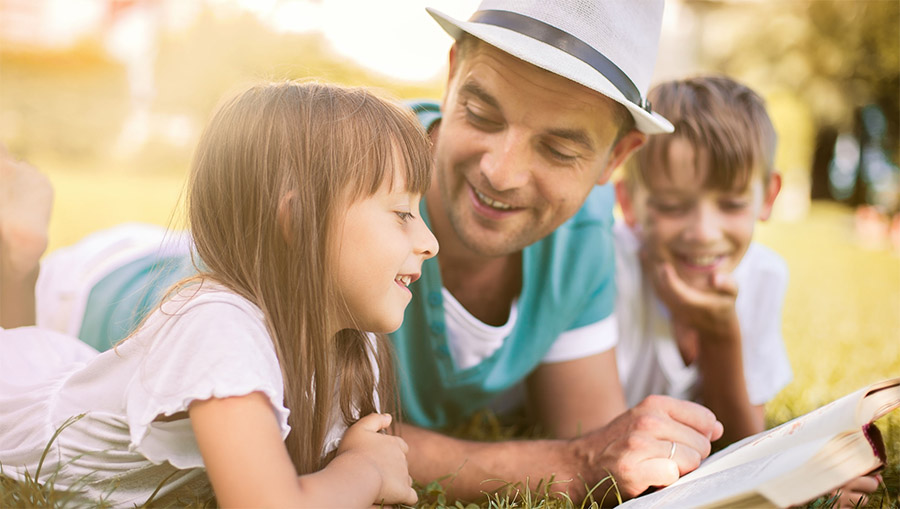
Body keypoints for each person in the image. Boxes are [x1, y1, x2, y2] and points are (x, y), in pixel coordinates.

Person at [7, 0, 724, 502]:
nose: (502, 171)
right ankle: (19, 249)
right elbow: (305, 451)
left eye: (561, 146)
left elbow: (593, 444)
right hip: (113, 288)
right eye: (479, 112)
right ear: (451, 73)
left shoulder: (580, 235)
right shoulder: (335, 194)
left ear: (616, 158)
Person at [0, 81, 439, 507]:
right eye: (402, 213)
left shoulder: (354, 345)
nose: (429, 242)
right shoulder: (218, 324)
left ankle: (16, 260)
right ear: (302, 221)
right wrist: (366, 468)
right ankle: (16, 257)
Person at [613, 75, 882, 508]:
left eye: (732, 204)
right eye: (672, 205)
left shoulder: (764, 276)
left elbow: (743, 437)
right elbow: (607, 446)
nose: (703, 233)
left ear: (767, 197)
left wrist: (720, 330)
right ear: (628, 202)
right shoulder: (610, 270)